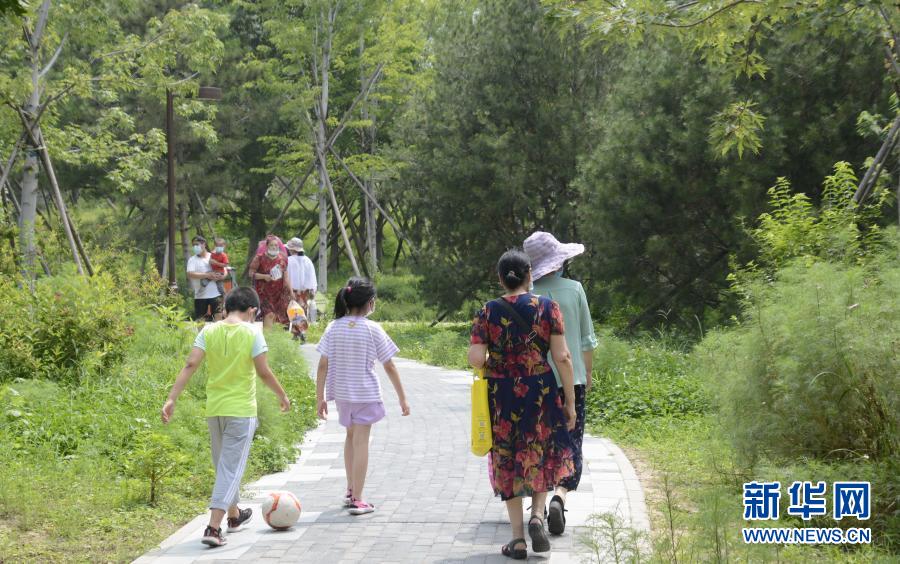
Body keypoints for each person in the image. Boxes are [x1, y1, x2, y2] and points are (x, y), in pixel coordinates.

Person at [161, 287, 291, 548]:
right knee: (230, 470)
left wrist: (172, 398)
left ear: (227, 307)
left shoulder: (208, 331)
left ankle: (234, 516)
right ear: (252, 310)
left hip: (215, 410)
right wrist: (282, 395)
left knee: (224, 466)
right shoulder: (252, 332)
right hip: (241, 411)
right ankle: (213, 527)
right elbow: (263, 371)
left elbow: (190, 364)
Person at [468, 250, 577, 560]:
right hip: (540, 390)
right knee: (540, 450)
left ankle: (517, 540)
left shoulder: (487, 311)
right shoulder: (548, 308)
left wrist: (499, 358)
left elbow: (476, 358)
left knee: (507, 457)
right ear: (530, 274)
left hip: (502, 394)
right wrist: (570, 402)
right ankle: (538, 516)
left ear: (500, 277)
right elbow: (563, 357)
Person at [315, 277, 410, 516]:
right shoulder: (372, 328)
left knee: (350, 438)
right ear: (370, 303)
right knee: (361, 443)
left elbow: (323, 364)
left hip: (342, 395)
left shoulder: (333, 327)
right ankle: (358, 499)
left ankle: (350, 491)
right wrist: (402, 397)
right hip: (365, 394)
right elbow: (389, 365)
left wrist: (320, 397)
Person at [524, 231, 599, 536]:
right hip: (572, 381)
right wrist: (587, 373)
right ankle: (560, 495)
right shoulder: (575, 289)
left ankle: (538, 509)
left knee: (539, 443)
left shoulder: (526, 296)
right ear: (559, 262)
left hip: (534, 383)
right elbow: (586, 339)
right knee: (571, 442)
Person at [248, 235, 291, 328]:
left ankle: (271, 335)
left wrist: (291, 292)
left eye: (276, 245)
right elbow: (251, 273)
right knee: (269, 314)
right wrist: (264, 276)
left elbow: (286, 276)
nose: (274, 247)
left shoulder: (282, 259)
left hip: (279, 293)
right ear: (267, 246)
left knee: (276, 317)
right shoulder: (259, 258)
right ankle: (267, 336)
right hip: (263, 293)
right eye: (271, 245)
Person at [186, 235, 224, 321]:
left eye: (197, 244)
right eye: (193, 245)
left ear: (204, 244)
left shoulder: (214, 256)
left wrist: (220, 276)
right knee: (200, 321)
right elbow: (190, 274)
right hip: (200, 296)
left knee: (218, 320)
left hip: (216, 294)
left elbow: (225, 270)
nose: (195, 247)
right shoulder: (192, 260)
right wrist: (207, 275)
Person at [286, 237, 318, 331]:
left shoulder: (289, 260)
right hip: (306, 293)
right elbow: (312, 278)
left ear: (292, 249)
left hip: (292, 292)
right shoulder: (308, 260)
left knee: (293, 313)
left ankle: (295, 332)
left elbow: (286, 278)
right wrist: (313, 291)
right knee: (303, 314)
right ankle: (303, 331)